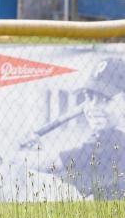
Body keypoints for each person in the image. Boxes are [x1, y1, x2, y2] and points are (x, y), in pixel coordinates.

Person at [16, 56, 125, 200]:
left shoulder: (113, 139)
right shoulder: (106, 137)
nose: (94, 107)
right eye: (89, 97)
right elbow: (71, 172)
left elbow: (53, 164)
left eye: (106, 99)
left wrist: (15, 155)